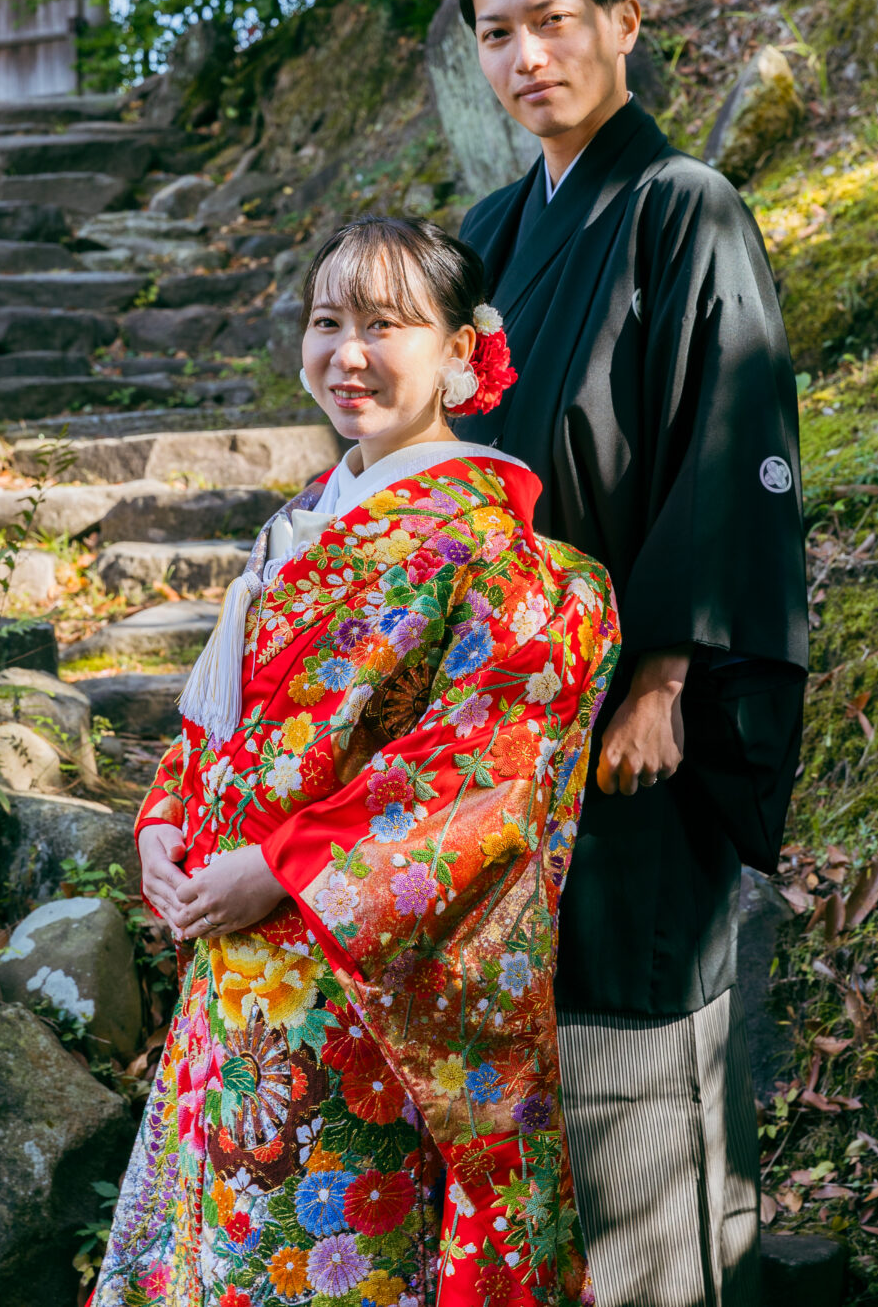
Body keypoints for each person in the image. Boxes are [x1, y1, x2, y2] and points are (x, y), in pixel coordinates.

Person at [92, 215, 620, 1307]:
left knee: (324, 1266)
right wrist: (164, 823)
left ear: (462, 351)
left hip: (357, 997)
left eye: (385, 325)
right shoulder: (303, 522)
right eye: (327, 322)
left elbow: (481, 779)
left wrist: (280, 869)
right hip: (230, 978)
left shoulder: (504, 558)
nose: (349, 354)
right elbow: (222, 724)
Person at [456, 0, 809, 1307]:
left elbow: (732, 440)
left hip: (628, 714)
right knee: (529, 1028)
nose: (528, 57)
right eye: (498, 34)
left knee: (635, 1018)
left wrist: (664, 670)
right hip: (504, 715)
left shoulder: (684, 205)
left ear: (623, 21)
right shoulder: (491, 231)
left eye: (553, 21)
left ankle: (672, 1277)